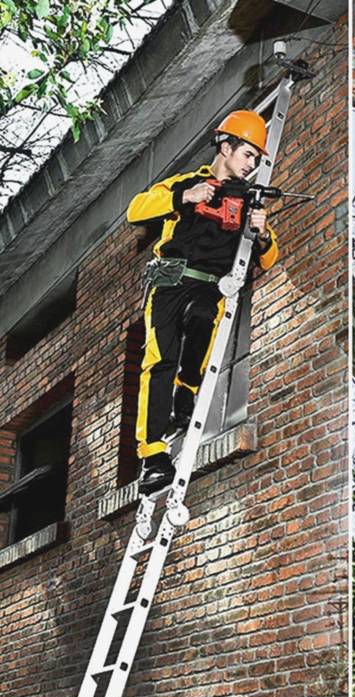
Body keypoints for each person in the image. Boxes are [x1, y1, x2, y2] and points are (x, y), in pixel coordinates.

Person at [127, 109, 278, 495]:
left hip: (210, 286)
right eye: (247, 155)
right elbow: (135, 210)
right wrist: (185, 197)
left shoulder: (248, 201)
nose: (251, 165)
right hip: (168, 281)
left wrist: (260, 234)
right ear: (225, 147)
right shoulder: (187, 183)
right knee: (158, 361)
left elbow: (268, 256)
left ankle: (187, 389)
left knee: (202, 317)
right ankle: (154, 455)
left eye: (257, 160)